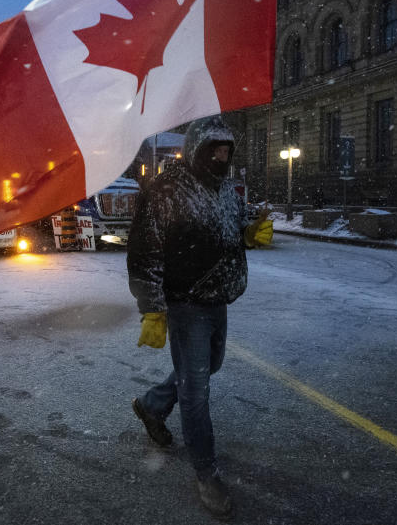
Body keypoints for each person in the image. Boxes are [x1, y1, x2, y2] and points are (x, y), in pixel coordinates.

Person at [126, 115, 273, 518]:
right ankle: (207, 474)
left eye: (227, 150)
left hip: (217, 299)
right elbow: (145, 254)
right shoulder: (166, 191)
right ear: (196, 149)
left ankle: (153, 404)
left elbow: (231, 228)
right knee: (196, 392)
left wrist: (249, 231)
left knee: (210, 367)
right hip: (185, 303)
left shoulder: (225, 190)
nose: (222, 156)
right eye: (215, 149)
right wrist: (152, 308)